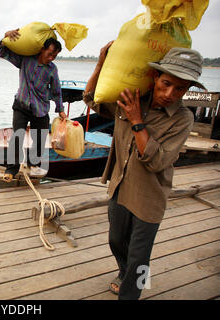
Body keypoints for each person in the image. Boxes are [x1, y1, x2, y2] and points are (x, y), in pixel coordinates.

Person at [83, 43, 206, 300]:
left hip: (149, 198)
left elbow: (156, 161)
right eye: (166, 83)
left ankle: (133, 291)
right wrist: (100, 64)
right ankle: (124, 272)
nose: (170, 93)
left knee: (140, 257)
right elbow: (91, 99)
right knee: (116, 241)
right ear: (155, 77)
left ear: (188, 90)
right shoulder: (130, 100)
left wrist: (137, 121)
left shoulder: (182, 119)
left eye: (180, 88)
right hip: (120, 187)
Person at [0, 29, 67, 182]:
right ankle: (11, 169)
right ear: (41, 49)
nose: (51, 58)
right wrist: (5, 37)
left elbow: (56, 91)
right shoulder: (25, 60)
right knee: (17, 136)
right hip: (21, 105)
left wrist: (61, 110)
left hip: (41, 108)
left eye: (55, 56)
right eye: (49, 54)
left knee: (39, 138)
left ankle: (33, 164)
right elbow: (4, 53)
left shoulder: (52, 69)